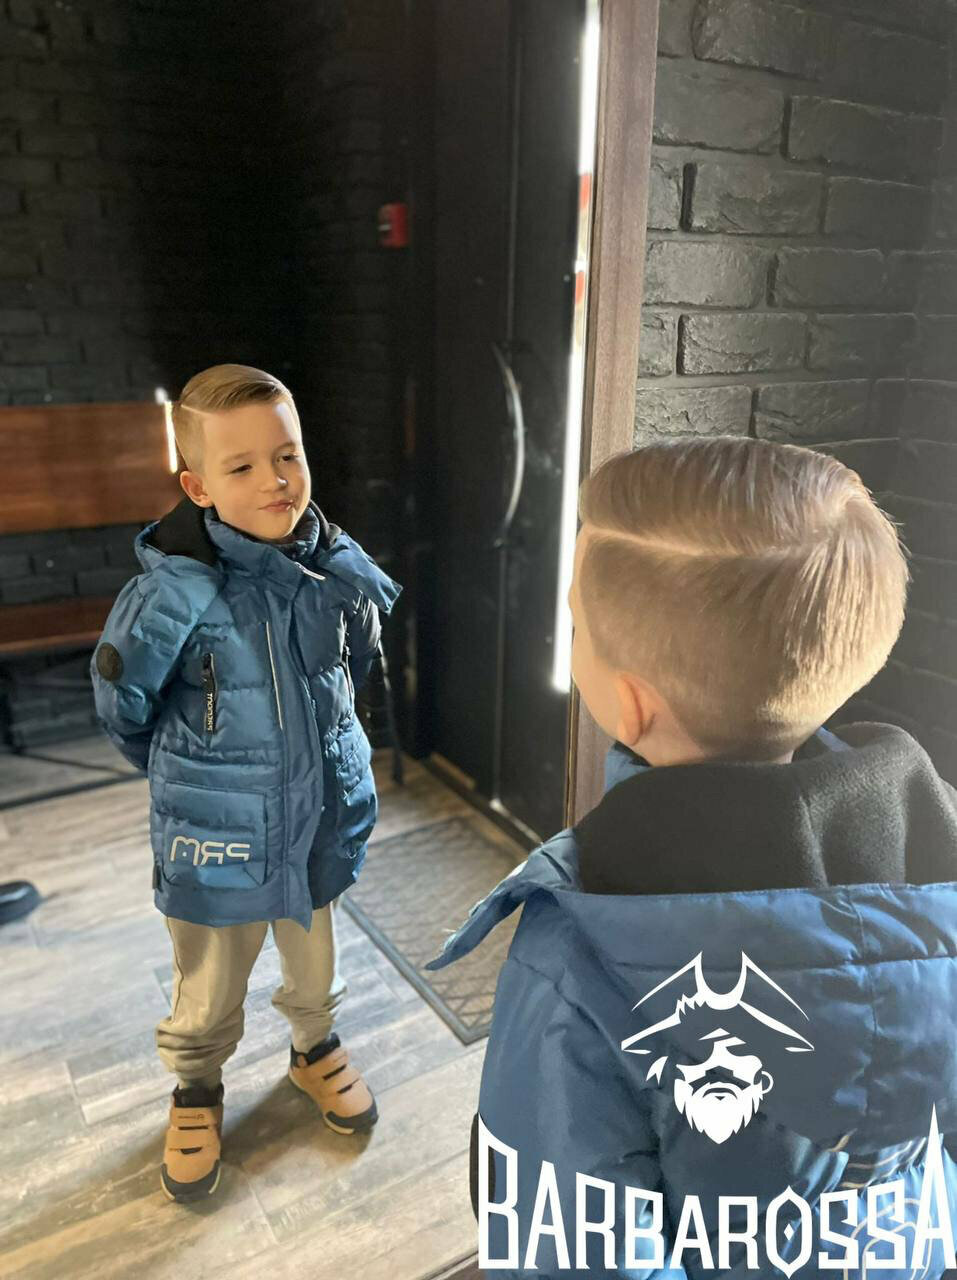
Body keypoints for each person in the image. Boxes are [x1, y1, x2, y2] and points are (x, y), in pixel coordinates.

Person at [426, 437, 957, 1278]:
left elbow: (569, 1248)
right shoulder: (938, 861)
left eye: (577, 624)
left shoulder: (584, 950)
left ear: (630, 703)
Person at [90, 364, 401, 1202]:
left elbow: (356, 670)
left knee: (316, 962)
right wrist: (193, 776)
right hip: (215, 827)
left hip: (317, 815)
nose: (275, 481)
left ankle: (313, 1047)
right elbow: (123, 707)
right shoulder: (170, 597)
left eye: (287, 455)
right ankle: (196, 1086)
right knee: (210, 980)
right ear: (197, 486)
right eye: (242, 466)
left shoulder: (333, 571)